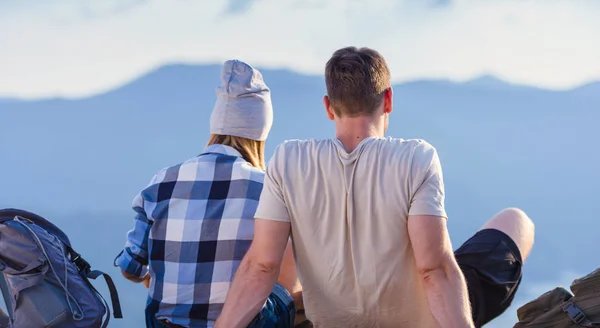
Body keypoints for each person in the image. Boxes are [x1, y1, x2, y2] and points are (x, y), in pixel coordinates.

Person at [215, 47, 535, 328]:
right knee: (516, 221)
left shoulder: (287, 160)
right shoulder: (416, 157)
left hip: (334, 320)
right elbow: (432, 268)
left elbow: (262, 265)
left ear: (329, 107)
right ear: (388, 100)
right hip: (426, 318)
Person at [115, 60, 302, 328]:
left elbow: (130, 267)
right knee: (298, 292)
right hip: (243, 323)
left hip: (166, 324)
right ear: (260, 136)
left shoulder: (163, 182)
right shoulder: (270, 187)